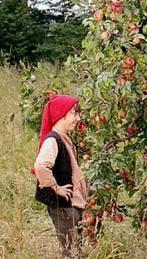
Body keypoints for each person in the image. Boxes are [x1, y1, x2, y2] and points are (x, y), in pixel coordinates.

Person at [33, 94, 89, 259]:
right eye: (74, 113)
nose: (78, 118)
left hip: (71, 204)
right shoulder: (53, 140)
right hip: (63, 206)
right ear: (61, 114)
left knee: (75, 248)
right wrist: (56, 188)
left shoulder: (63, 138)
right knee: (70, 252)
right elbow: (41, 166)